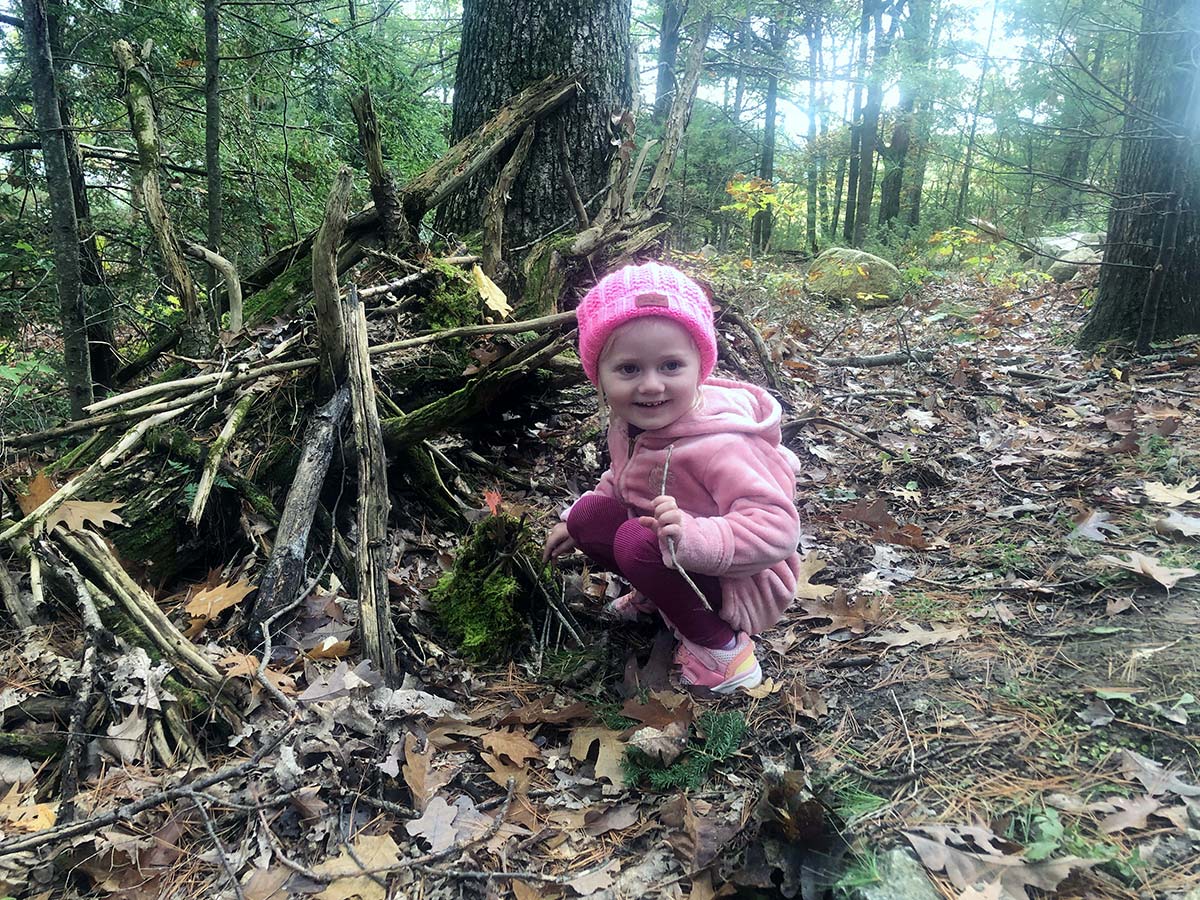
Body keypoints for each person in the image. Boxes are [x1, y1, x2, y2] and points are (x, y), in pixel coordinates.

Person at [542, 261, 802, 694]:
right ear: (598, 376)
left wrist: (693, 537)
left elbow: (778, 530)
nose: (650, 386)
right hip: (673, 553)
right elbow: (626, 479)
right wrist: (574, 521)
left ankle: (723, 649)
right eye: (628, 369)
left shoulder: (723, 444)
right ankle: (664, 599)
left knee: (637, 542)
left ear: (699, 366)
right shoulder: (632, 425)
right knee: (589, 514)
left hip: (744, 581)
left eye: (670, 366)